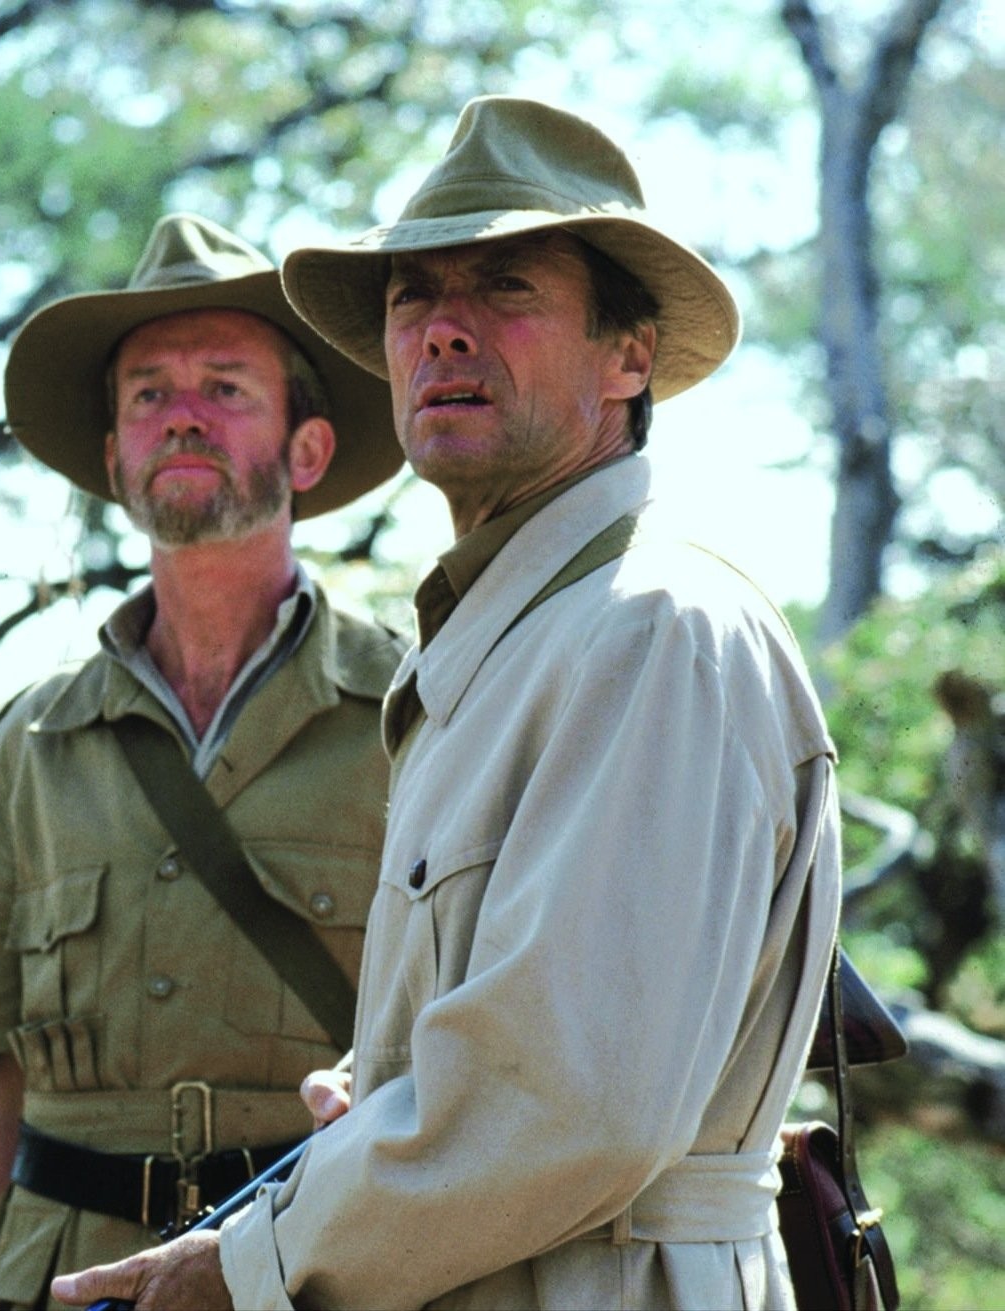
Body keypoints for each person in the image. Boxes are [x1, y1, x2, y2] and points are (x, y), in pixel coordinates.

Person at [51, 96, 843, 1310]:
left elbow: (572, 1104)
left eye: (506, 288)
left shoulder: (649, 630)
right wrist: (387, 1083)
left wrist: (247, 1266)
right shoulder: (510, 639)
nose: (443, 330)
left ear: (628, 358)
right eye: (412, 296)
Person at [0, 213, 407, 1308]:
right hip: (66, 1279)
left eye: (225, 387)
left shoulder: (413, 710)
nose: (182, 415)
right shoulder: (33, 743)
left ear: (307, 449)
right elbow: (6, 1084)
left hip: (312, 1272)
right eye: (148, 393)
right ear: (115, 458)